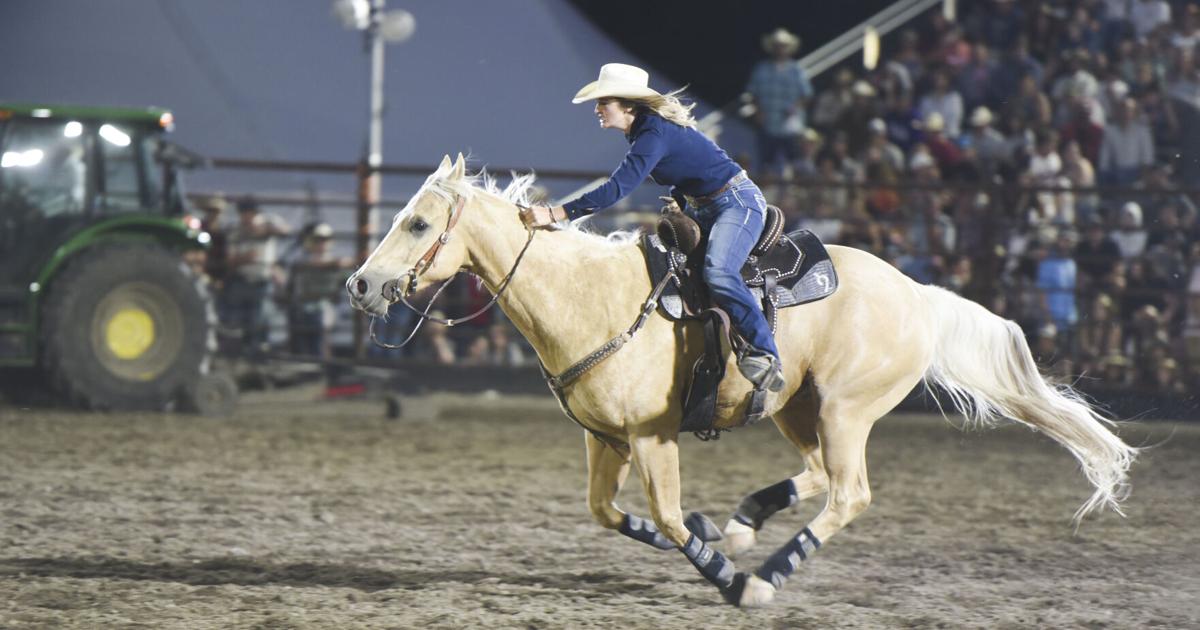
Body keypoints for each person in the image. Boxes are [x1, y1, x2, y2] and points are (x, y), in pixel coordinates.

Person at [521, 63, 785, 392]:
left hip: (737, 203)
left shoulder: (652, 134)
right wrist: (684, 204)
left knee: (718, 271)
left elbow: (616, 188)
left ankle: (766, 354)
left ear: (628, 105)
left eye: (604, 102)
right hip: (706, 204)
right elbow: (685, 171)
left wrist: (556, 213)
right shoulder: (648, 131)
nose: (597, 109)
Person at [744, 27, 814, 181]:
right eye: (777, 45)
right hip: (768, 124)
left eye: (783, 46)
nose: (780, 49)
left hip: (790, 127)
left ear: (788, 48)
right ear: (772, 48)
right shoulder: (761, 69)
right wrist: (758, 111)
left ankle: (793, 195)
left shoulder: (797, 70)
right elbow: (752, 93)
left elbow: (807, 95)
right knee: (765, 164)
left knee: (794, 164)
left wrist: (795, 107)